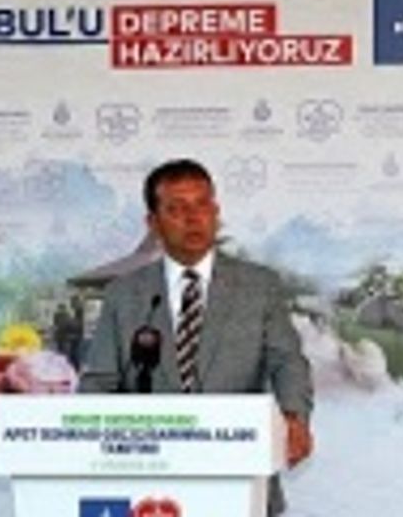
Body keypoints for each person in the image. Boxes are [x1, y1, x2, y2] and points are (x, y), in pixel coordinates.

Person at [79, 158, 314, 515]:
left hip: (241, 480)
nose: (193, 218)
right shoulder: (124, 294)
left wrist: (294, 416)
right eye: (177, 209)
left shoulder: (259, 286)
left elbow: (287, 361)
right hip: (147, 487)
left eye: (202, 205)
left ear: (216, 212)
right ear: (153, 223)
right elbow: (99, 381)